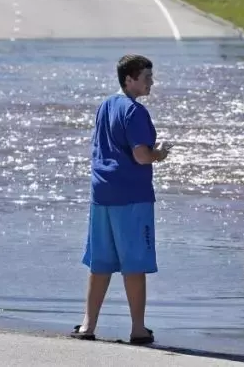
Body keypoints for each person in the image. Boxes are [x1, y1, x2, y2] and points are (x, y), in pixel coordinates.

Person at [71, 54, 172, 345]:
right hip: (131, 194)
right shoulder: (134, 111)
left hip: (101, 191)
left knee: (100, 263)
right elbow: (141, 156)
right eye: (146, 77)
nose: (151, 82)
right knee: (134, 263)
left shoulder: (105, 105)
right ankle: (138, 329)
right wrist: (160, 154)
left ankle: (87, 326)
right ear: (129, 79)